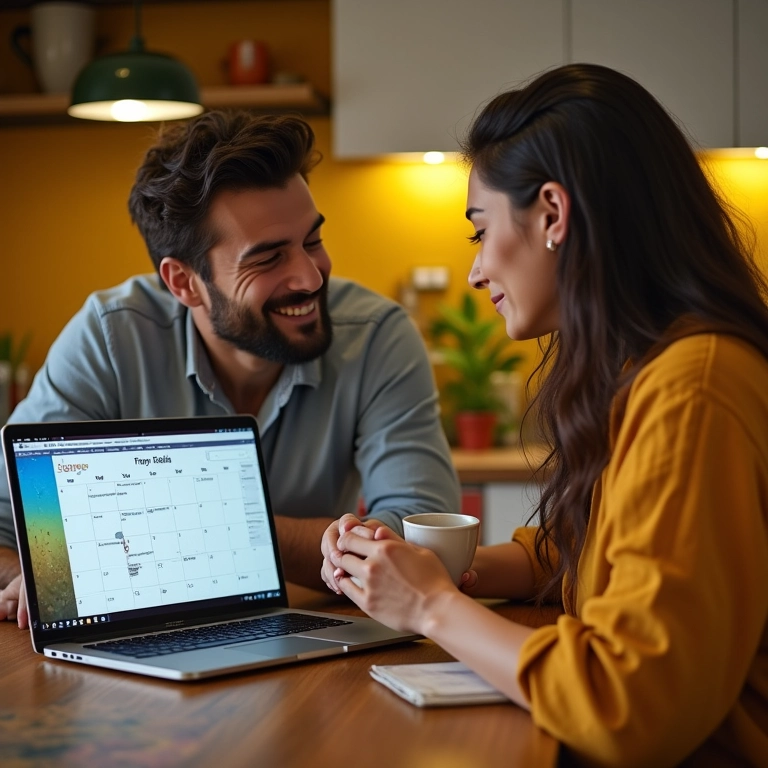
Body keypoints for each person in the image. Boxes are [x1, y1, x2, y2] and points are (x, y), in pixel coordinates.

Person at [324, 64, 768, 767]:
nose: (474, 271)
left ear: (553, 214)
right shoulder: (649, 371)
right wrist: (432, 570)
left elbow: (632, 705)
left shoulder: (693, 391)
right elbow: (587, 548)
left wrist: (433, 607)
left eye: (480, 230)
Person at [0, 111, 460, 627]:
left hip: (315, 656)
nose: (310, 277)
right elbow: (6, 519)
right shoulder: (110, 337)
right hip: (140, 658)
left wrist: (172, 536)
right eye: (267, 259)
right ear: (183, 283)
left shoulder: (377, 336)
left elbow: (423, 541)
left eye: (312, 241)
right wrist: (49, 574)